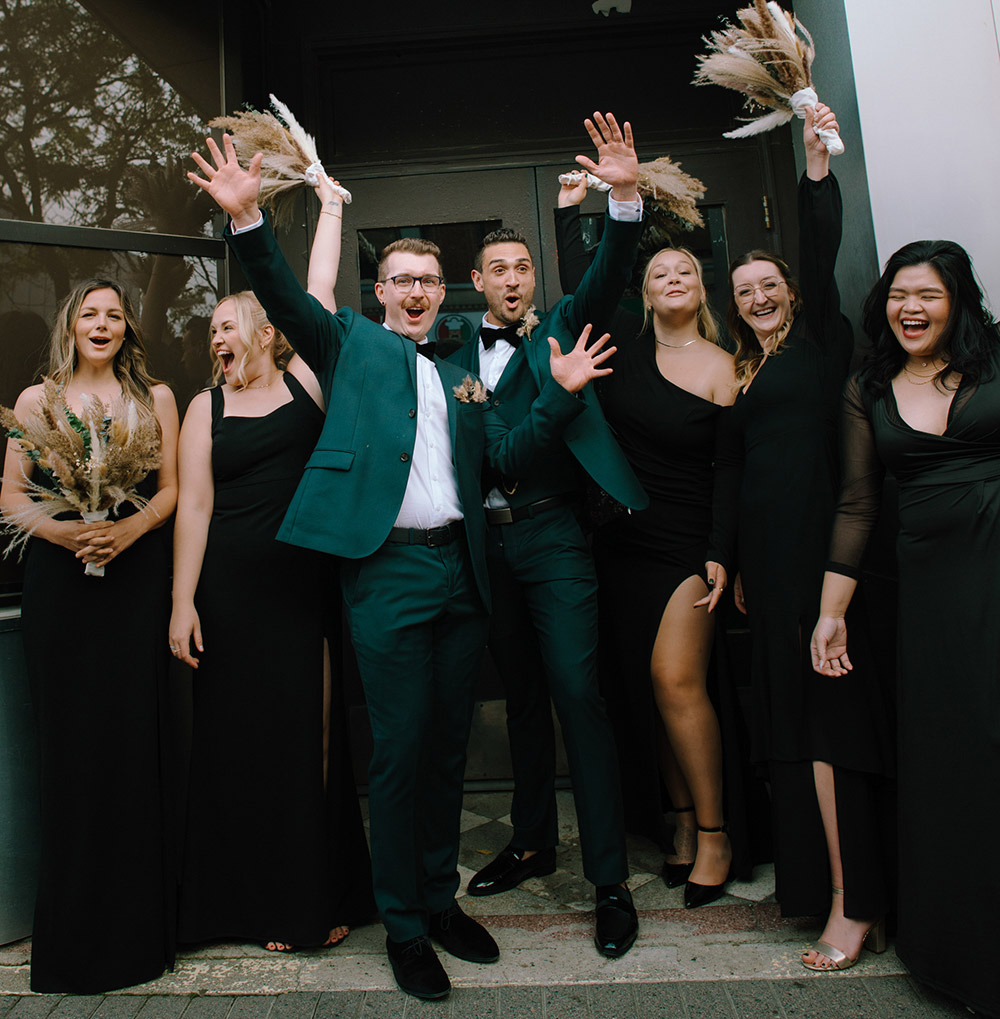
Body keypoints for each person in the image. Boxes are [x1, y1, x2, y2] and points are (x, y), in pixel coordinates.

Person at [187, 128, 613, 1002]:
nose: (417, 291)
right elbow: (280, 290)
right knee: (399, 747)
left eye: (428, 280)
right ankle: (405, 927)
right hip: (386, 572)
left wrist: (562, 398)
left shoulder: (464, 375)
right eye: (402, 280)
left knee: (450, 745)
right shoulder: (349, 344)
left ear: (439, 292)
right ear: (379, 291)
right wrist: (249, 223)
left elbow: (504, 456)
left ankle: (438, 897)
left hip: (462, 570)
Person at [449, 113, 646, 958]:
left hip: (555, 536)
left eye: (524, 266)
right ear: (477, 280)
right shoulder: (451, 350)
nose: (514, 279)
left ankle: (609, 880)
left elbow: (605, 275)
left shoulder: (564, 320)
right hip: (484, 550)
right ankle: (531, 841)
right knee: (521, 697)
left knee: (577, 693)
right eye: (499, 268)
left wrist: (623, 200)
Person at [170, 174, 375, 951]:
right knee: (241, 748)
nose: (218, 337)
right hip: (227, 597)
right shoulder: (204, 408)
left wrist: (331, 206)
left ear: (263, 330)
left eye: (231, 323)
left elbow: (316, 289)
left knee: (308, 741)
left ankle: (309, 893)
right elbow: (194, 507)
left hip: (300, 594)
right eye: (211, 329)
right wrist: (182, 602)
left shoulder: (305, 381)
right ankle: (251, 903)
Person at [714, 103, 894, 946]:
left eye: (768, 285)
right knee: (792, 733)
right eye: (743, 291)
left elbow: (820, 247)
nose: (756, 297)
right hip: (773, 575)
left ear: (789, 289)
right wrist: (733, 558)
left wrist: (814, 166)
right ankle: (815, 887)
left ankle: (855, 904)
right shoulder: (746, 373)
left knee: (834, 733)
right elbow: (738, 472)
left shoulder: (819, 340)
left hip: (829, 565)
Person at [811, 241, 999, 1011]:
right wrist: (831, 612)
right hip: (933, 593)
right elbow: (858, 503)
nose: (909, 307)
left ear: (958, 300)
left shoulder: (997, 360)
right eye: (897, 294)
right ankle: (965, 954)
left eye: (926, 294)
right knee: (955, 758)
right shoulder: (868, 384)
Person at [0, 280, 179, 994]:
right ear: (71, 326)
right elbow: (10, 495)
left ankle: (140, 935)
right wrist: (68, 530)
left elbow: (169, 490)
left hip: (134, 589)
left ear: (128, 326)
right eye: (89, 314)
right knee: (70, 755)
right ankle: (74, 941)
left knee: (132, 748)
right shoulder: (37, 401)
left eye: (113, 313)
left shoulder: (156, 397)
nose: (101, 323)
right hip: (62, 590)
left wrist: (127, 529)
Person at [591, 241, 743, 907]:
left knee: (674, 679)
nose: (674, 279)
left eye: (685, 270)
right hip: (622, 543)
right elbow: (586, 280)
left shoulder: (725, 365)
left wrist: (722, 549)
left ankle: (716, 832)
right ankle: (677, 822)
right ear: (644, 292)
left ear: (701, 288)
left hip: (688, 545)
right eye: (659, 272)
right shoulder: (623, 347)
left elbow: (734, 473)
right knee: (643, 688)